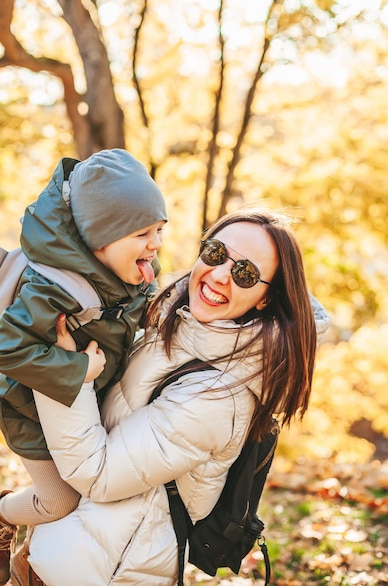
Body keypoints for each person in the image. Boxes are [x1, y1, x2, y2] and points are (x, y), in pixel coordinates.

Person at [25, 208, 328, 586]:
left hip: (94, 572)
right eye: (216, 253)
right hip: (66, 550)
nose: (219, 275)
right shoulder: (176, 324)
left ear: (266, 299)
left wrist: (65, 373)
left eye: (245, 273)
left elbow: (97, 474)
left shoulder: (219, 396)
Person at [0, 148, 168, 584]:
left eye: (159, 230)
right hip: (27, 408)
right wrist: (79, 371)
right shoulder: (55, 287)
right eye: (142, 233)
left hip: (76, 407)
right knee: (61, 502)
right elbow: (6, 348)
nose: (155, 244)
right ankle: (2, 517)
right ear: (100, 240)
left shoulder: (130, 274)